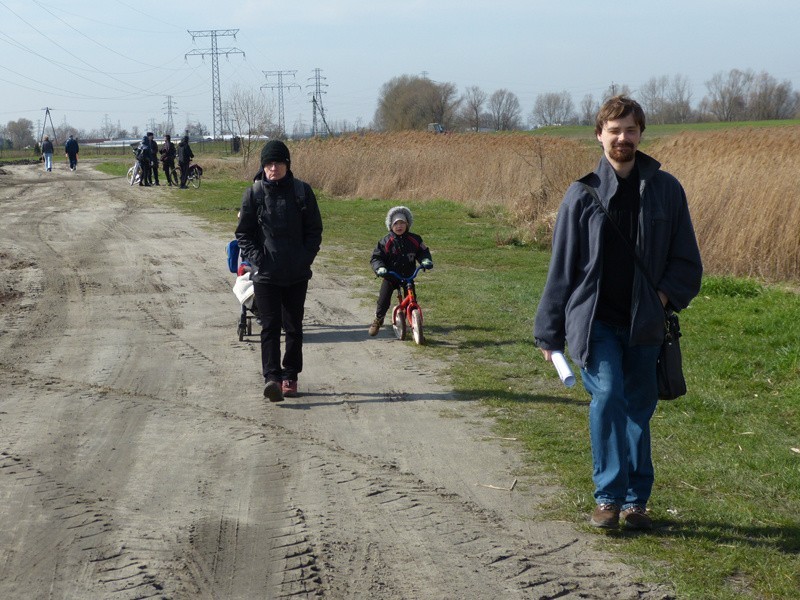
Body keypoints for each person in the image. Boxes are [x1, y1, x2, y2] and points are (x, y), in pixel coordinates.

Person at [533, 96, 702, 531]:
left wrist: (662, 300)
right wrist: (548, 332)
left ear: (641, 134)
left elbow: (687, 263)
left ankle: (636, 502)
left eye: (630, 130)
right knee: (608, 395)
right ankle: (608, 498)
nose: (622, 138)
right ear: (599, 135)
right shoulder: (581, 193)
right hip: (595, 322)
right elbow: (562, 267)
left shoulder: (667, 189)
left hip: (645, 324)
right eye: (614, 130)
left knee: (638, 410)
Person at [234, 140, 323, 403]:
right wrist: (258, 260)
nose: (274, 168)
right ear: (263, 166)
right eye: (269, 164)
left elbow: (314, 231)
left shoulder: (302, 192)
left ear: (287, 164)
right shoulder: (254, 194)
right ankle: (271, 378)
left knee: (294, 328)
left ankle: (290, 377)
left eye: (278, 163)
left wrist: (304, 259)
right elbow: (243, 234)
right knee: (270, 327)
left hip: (296, 275)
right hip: (266, 276)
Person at [368, 206, 433, 336]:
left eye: (402, 223)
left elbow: (423, 252)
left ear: (407, 224)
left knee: (412, 298)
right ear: (390, 225)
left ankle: (414, 320)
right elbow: (376, 257)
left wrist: (425, 260)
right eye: (396, 223)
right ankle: (378, 319)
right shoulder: (385, 242)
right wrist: (380, 268)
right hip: (391, 276)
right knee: (383, 300)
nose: (399, 226)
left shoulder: (415, 239)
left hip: (408, 276)